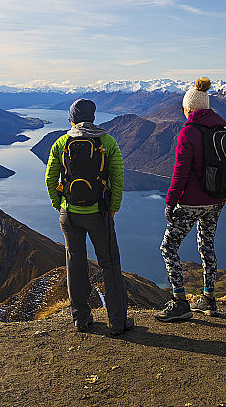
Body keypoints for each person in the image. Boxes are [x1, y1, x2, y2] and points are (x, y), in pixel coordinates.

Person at [45, 98, 133, 335]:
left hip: (69, 213)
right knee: (110, 265)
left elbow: (50, 179)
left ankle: (81, 319)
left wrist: (59, 205)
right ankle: (117, 321)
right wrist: (113, 208)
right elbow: (117, 177)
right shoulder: (107, 141)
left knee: (75, 263)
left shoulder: (62, 142)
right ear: (93, 118)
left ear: (71, 119)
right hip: (99, 213)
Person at [155, 77, 226, 322]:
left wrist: (170, 201)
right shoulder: (220, 129)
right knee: (206, 246)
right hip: (216, 200)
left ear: (189, 108)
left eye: (183, 107)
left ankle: (180, 301)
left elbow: (180, 171)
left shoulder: (188, 132)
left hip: (191, 203)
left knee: (168, 248)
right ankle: (209, 299)